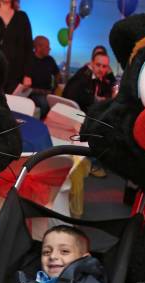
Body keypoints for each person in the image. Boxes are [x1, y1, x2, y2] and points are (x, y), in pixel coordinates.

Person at [63, 49, 114, 177]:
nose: (101, 69)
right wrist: (95, 100)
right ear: (91, 64)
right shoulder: (83, 76)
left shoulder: (99, 79)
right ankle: (92, 163)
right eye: (98, 65)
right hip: (75, 117)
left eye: (104, 67)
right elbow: (71, 95)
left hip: (84, 117)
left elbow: (109, 91)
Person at [28, 35, 60, 119]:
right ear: (38, 47)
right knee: (45, 103)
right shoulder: (29, 59)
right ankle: (41, 124)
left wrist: (56, 87)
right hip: (32, 93)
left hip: (48, 93)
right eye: (47, 46)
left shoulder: (50, 60)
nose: (50, 49)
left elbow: (57, 74)